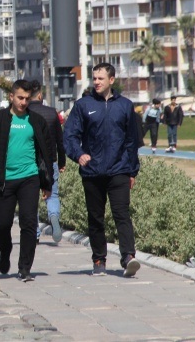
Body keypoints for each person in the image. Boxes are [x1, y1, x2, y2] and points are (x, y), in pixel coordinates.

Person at [63, 62, 141, 278]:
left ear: (112, 80)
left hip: (119, 170)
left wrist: (132, 170)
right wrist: (79, 155)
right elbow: (69, 136)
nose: (96, 82)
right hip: (92, 171)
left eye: (100, 78)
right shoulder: (82, 105)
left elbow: (131, 140)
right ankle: (99, 259)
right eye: (94, 78)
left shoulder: (125, 105)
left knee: (122, 214)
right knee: (95, 217)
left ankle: (128, 257)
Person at [0, 80, 54, 282]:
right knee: (2, 224)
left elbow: (47, 152)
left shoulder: (36, 120)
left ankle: (24, 268)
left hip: (30, 178)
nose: (23, 102)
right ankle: (5, 250)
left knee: (29, 223)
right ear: (11, 97)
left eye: (27, 99)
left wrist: (47, 183)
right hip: (4, 180)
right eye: (20, 98)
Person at [27, 80, 66, 244]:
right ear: (40, 95)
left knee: (30, 198)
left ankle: (35, 233)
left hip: (29, 162)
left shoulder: (24, 114)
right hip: (50, 162)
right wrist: (62, 161)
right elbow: (60, 140)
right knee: (53, 195)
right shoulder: (52, 113)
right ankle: (53, 217)